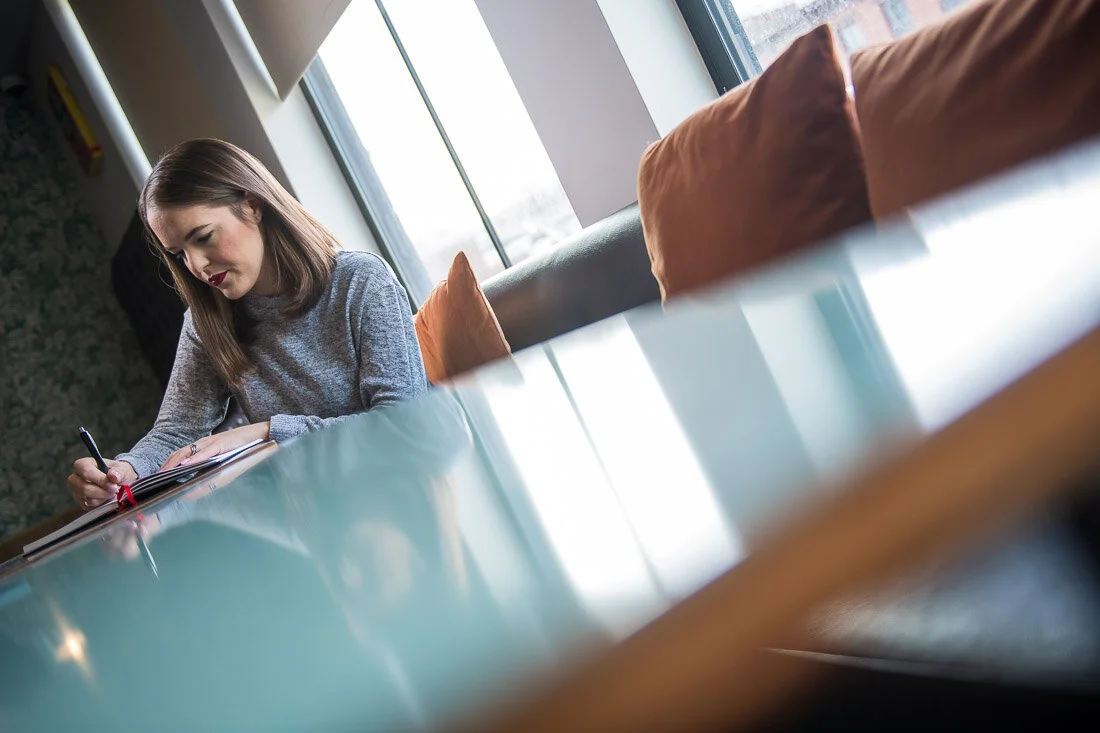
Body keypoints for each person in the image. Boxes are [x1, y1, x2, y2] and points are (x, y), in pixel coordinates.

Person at [68, 138, 428, 510]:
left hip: (398, 499)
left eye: (203, 237)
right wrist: (124, 471)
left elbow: (403, 427)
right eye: (179, 254)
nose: (196, 266)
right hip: (313, 513)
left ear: (252, 206)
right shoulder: (206, 322)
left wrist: (267, 433)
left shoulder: (362, 281)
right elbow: (176, 431)